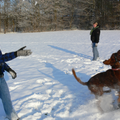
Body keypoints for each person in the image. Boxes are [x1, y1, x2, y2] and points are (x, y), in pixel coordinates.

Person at [0, 46, 32, 120]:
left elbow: (1, 60)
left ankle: (12, 117)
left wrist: (9, 69)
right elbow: (1, 58)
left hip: (1, 79)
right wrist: (16, 54)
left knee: (6, 98)